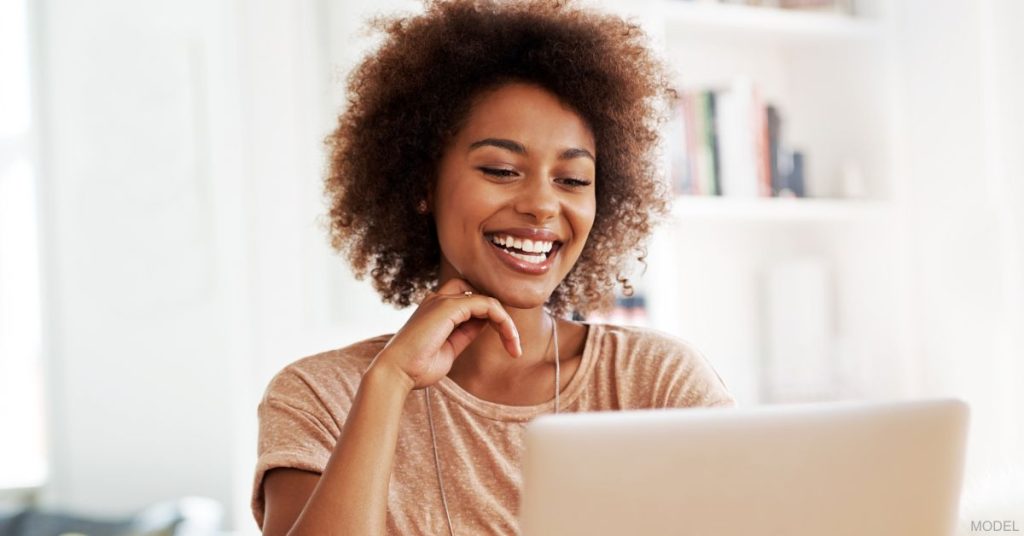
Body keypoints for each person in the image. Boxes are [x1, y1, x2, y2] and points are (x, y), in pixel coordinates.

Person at [251, 1, 735, 534]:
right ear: (422, 185)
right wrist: (388, 383)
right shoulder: (321, 395)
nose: (543, 206)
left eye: (572, 180)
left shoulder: (655, 384)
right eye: (502, 170)